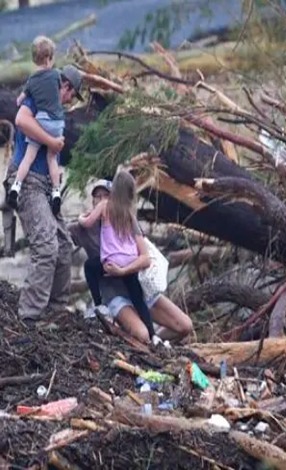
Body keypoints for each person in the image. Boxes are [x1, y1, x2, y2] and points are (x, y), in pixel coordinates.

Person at [69, 179, 193, 344]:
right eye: (97, 197)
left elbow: (145, 258)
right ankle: (132, 338)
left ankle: (156, 343)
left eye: (106, 196)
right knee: (142, 335)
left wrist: (123, 270)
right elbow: (61, 234)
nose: (101, 200)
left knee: (185, 325)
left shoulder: (127, 219)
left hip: (140, 288)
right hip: (114, 295)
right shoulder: (84, 227)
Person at [5, 64, 83, 324]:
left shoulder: (58, 112)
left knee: (63, 245)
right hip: (25, 180)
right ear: (66, 87)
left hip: (46, 185)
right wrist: (51, 142)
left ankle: (56, 308)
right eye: (72, 94)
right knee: (46, 244)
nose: (72, 100)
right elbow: (21, 120)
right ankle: (29, 315)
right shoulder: (38, 97)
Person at [78, 171, 156, 339]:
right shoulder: (130, 215)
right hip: (130, 262)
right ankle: (153, 335)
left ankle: (99, 305)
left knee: (90, 267)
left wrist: (80, 218)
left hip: (112, 261)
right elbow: (145, 255)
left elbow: (87, 222)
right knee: (138, 298)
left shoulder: (105, 205)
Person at [8, 36, 70, 215]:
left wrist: (25, 97)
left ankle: (16, 188)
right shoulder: (57, 75)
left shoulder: (32, 80)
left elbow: (20, 100)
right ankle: (56, 192)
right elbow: (56, 96)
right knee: (52, 159)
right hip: (57, 123)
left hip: (41, 121)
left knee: (28, 156)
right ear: (49, 58)